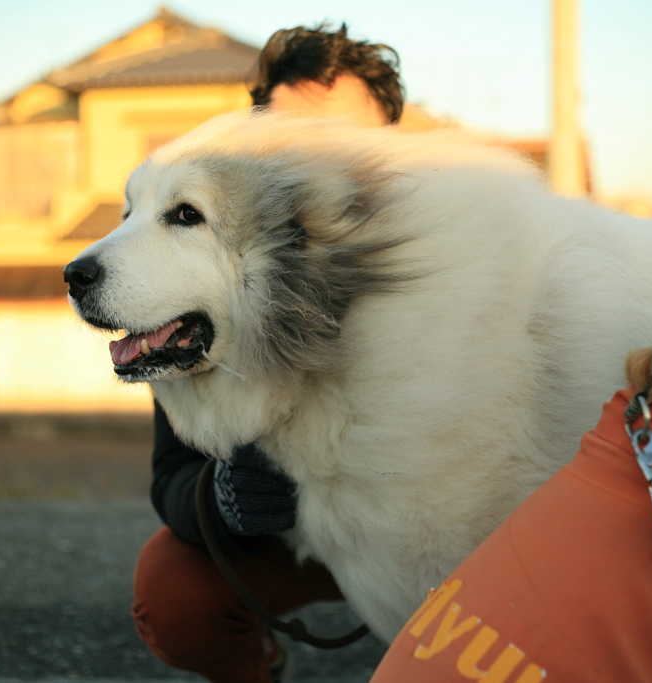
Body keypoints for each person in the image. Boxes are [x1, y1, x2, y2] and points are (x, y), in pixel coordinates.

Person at [130, 24, 404, 683]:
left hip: (424, 527)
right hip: (290, 540)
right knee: (173, 594)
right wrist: (219, 498)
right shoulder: (207, 279)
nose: (304, 164)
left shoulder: (457, 267)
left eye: (336, 141)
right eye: (281, 140)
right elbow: (171, 473)